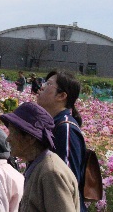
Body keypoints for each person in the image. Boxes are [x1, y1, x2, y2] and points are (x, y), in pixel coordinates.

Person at [0, 102, 80, 212]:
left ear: (30, 139)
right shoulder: (38, 165)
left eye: (12, 133)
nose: (8, 139)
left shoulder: (51, 173)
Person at [36, 70, 87, 212]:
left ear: (62, 96)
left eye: (48, 84)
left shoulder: (65, 128)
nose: (41, 87)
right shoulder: (51, 124)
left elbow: (65, 180)